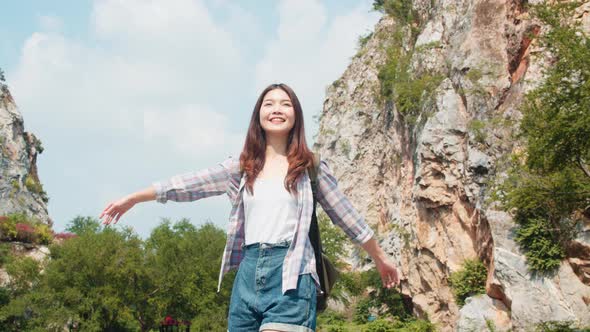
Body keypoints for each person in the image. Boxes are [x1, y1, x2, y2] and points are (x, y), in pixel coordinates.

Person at [99, 83, 400, 332]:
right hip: (247, 275)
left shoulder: (310, 167)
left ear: (296, 115)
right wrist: (135, 198)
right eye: (269, 104)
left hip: (291, 276)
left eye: (285, 104)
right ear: (258, 116)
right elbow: (189, 184)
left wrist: (379, 258)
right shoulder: (242, 167)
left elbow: (347, 217)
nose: (277, 109)